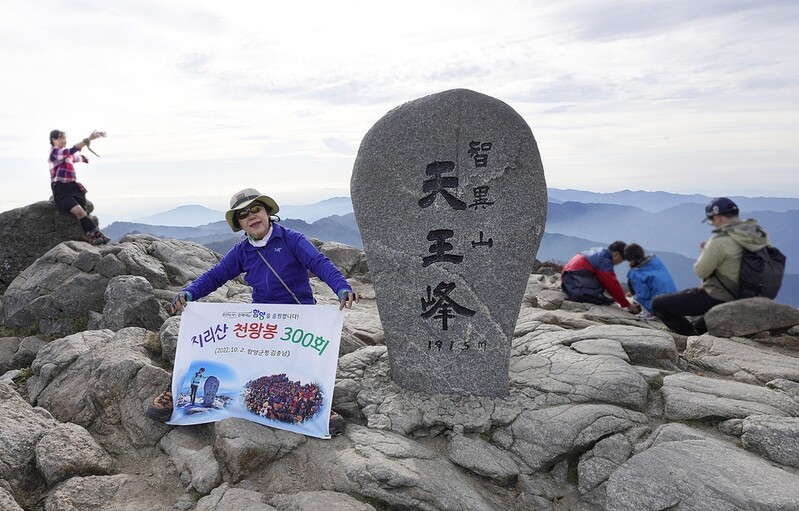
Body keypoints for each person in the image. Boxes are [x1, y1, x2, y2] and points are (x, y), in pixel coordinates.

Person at [148, 188, 359, 428]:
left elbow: (320, 264)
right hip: (261, 320)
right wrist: (190, 292)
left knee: (304, 363)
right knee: (208, 343)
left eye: (256, 209)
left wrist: (341, 287)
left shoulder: (292, 239)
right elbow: (216, 275)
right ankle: (174, 394)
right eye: (243, 214)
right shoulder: (242, 251)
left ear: (267, 211)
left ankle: (321, 409)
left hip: (298, 318)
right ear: (240, 224)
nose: (252, 216)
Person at [651, 197, 772, 335]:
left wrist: (705, 252)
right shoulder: (759, 233)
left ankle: (689, 339)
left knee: (658, 304)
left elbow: (701, 271)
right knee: (699, 324)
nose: (712, 224)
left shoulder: (719, 241)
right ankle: (698, 332)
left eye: (711, 220)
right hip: (751, 294)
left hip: (719, 296)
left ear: (718, 218)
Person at [48, 129, 110, 245]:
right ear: (54, 140)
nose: (64, 140)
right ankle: (97, 235)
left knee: (83, 212)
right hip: (61, 189)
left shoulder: (66, 156)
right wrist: (89, 139)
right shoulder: (55, 153)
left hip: (73, 187)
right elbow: (71, 150)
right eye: (61, 138)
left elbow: (74, 156)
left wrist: (84, 158)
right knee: (80, 212)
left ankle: (94, 238)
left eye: (64, 138)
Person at [561, 241, 639, 312]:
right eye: (621, 260)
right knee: (601, 296)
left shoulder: (599, 252)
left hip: (570, 279)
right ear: (616, 254)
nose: (619, 263)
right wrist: (626, 304)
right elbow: (611, 284)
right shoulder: (604, 260)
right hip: (575, 280)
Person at [623, 243, 677, 319]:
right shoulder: (655, 261)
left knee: (631, 284)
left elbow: (643, 296)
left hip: (660, 308)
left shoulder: (636, 274)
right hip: (674, 300)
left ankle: (648, 313)